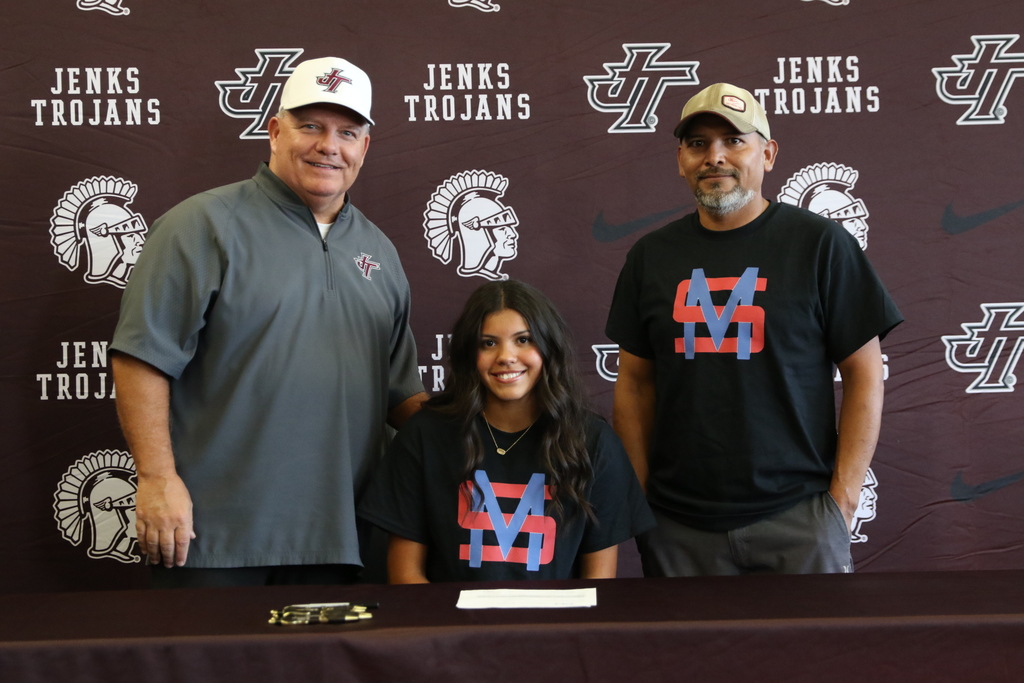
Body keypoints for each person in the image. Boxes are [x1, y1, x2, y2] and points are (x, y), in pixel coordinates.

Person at [110, 56, 428, 587]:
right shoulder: (201, 225)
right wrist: (156, 478)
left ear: (364, 147)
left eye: (347, 133)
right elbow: (142, 358)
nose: (329, 146)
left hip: (345, 539)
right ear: (276, 132)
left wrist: (498, 431)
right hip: (214, 536)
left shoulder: (379, 251)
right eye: (311, 126)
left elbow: (401, 395)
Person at [605, 83, 903, 577]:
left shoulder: (820, 245)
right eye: (698, 144)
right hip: (679, 527)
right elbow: (634, 385)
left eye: (734, 141)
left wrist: (842, 501)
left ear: (767, 154)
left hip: (800, 519)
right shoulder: (650, 257)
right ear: (680, 160)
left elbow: (865, 372)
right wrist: (639, 504)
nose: (714, 157)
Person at [359, 280, 654, 582]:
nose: (506, 356)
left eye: (523, 340)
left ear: (548, 346)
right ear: (469, 353)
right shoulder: (425, 435)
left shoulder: (594, 441)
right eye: (488, 343)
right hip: (446, 615)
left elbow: (599, 582)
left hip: (560, 616)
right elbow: (406, 574)